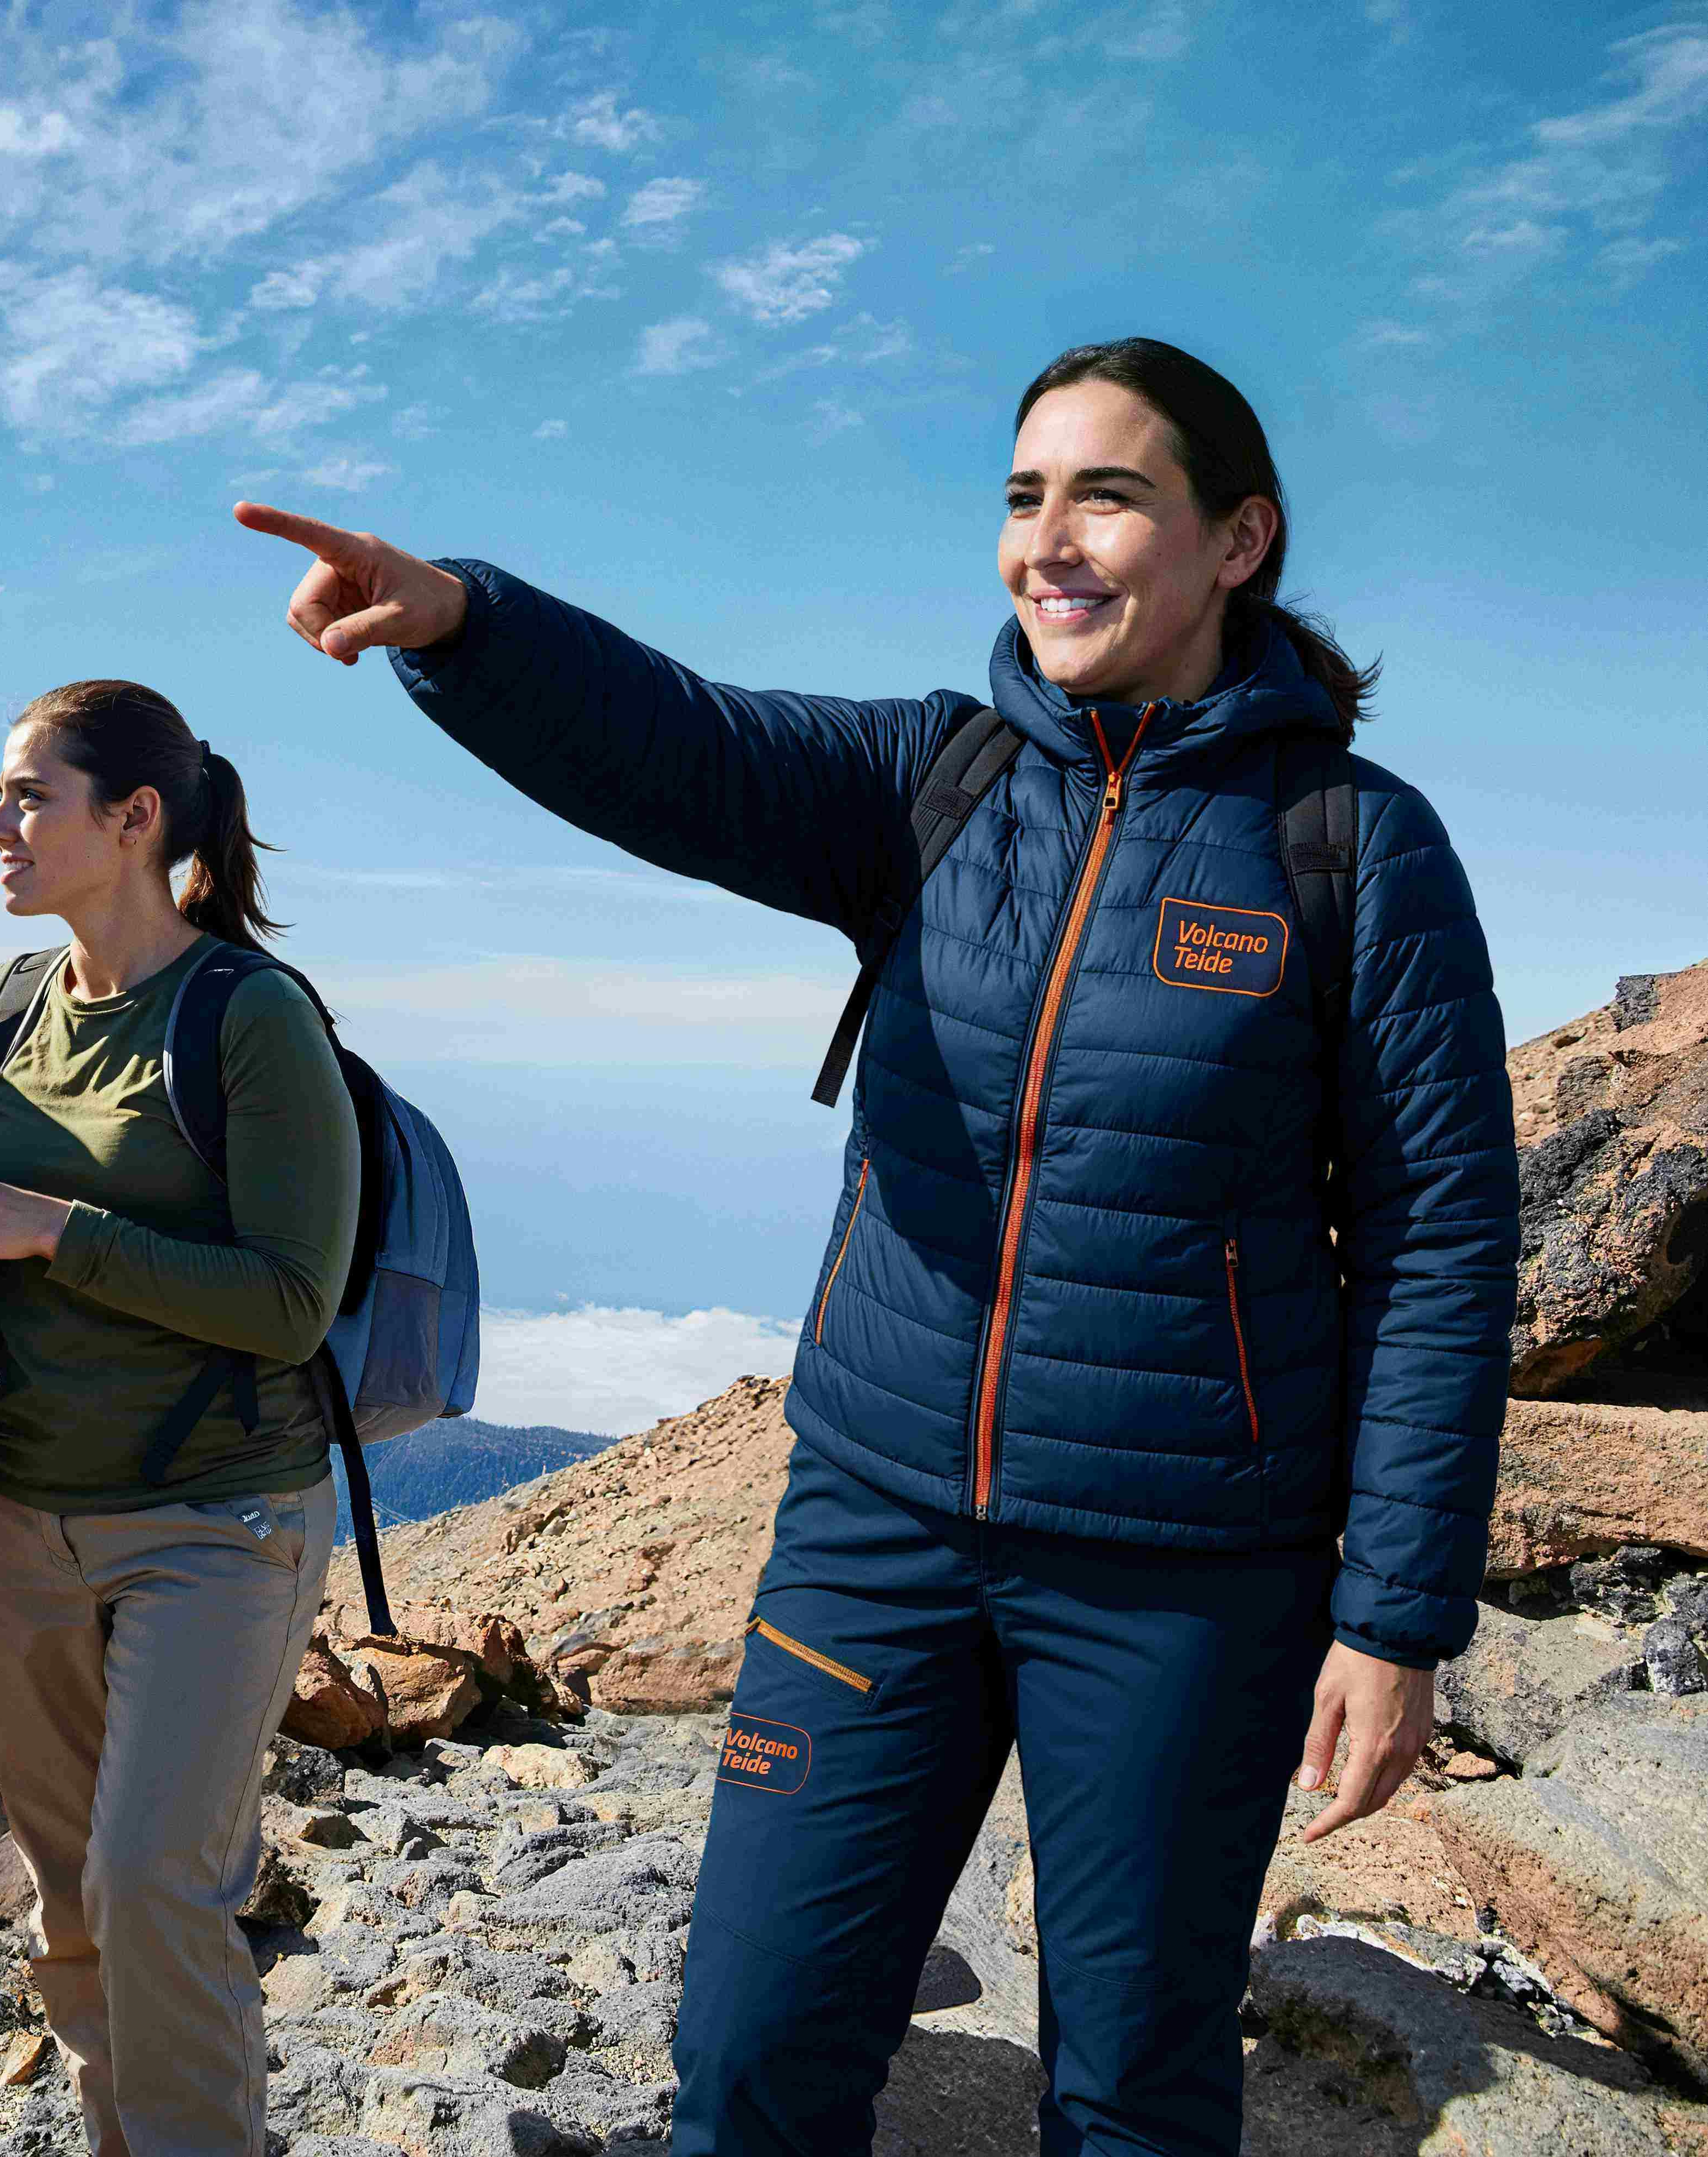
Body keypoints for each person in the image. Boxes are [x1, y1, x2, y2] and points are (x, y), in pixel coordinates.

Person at [235, 339, 1520, 2154]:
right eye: (1020, 497)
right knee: (751, 2051)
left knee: (1134, 2089)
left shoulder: (1354, 851)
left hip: (1180, 1572)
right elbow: (679, 743)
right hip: (878, 1521)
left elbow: (1443, 1242)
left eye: (1106, 493)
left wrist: (1392, 1619)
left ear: (1239, 541)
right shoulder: (940, 779)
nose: (1046, 541)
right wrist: (463, 626)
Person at [0, 679, 363, 2157]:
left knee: (159, 1880)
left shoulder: (248, 1017)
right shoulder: (0, 1008)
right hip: (24, 1518)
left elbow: (289, 1302)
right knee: (76, 1888)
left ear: (134, 818)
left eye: (29, 795)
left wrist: (52, 1228)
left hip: (222, 1518)